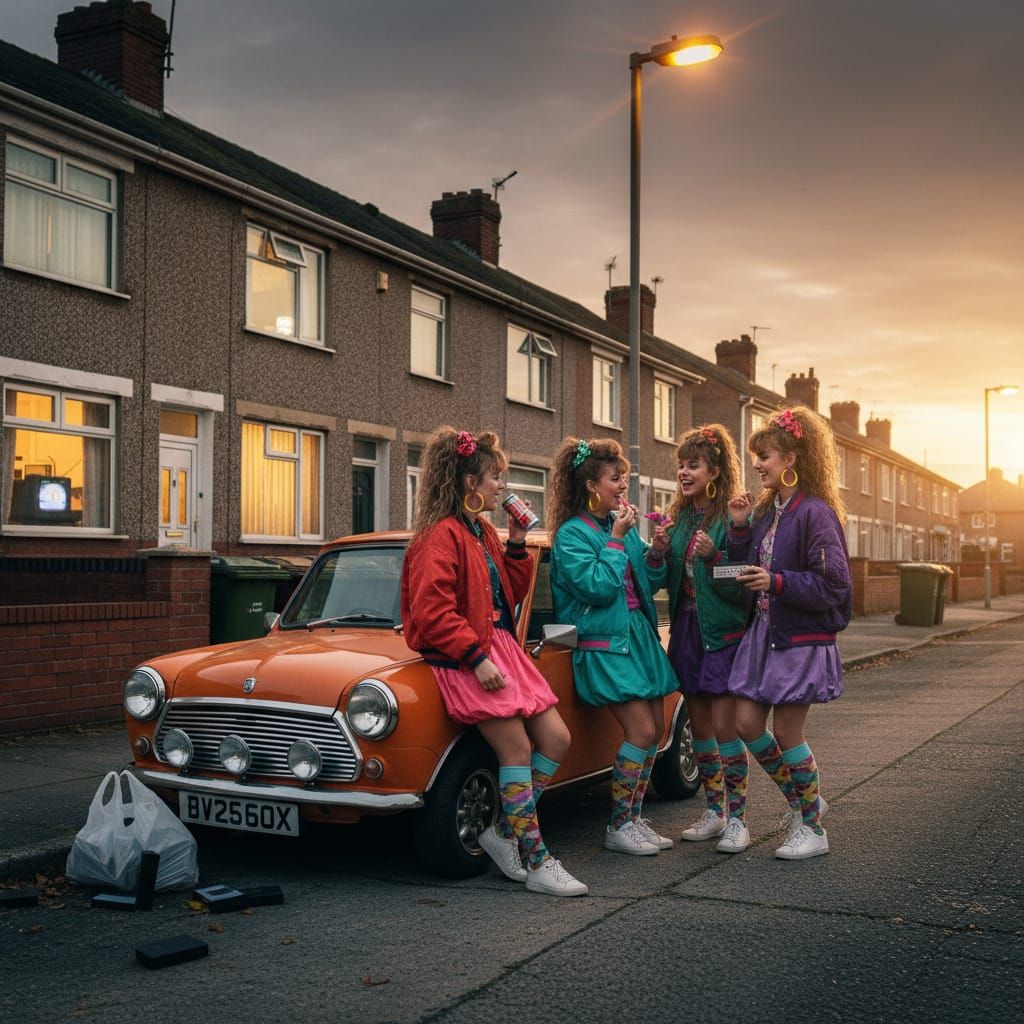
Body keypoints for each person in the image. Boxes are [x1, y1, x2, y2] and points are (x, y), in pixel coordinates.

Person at [401, 426, 588, 896]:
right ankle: (538, 860)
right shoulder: (438, 536)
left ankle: (503, 833)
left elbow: (511, 595)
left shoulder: (481, 530)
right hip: (467, 659)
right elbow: (432, 610)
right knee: (517, 750)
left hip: (500, 648)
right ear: (470, 482)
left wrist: (518, 542)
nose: (501, 485)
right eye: (494, 476)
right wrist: (476, 657)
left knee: (557, 738)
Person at [725, 406, 851, 860]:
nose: (757, 465)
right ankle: (805, 801)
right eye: (756, 457)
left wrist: (776, 582)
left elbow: (834, 585)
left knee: (787, 732)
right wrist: (740, 527)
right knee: (746, 723)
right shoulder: (768, 511)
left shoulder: (816, 513)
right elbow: (749, 567)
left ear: (791, 460)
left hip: (799, 639)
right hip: (765, 634)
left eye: (766, 456)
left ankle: (813, 828)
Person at [548, 437, 678, 856]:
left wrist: (656, 554)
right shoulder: (572, 535)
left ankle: (633, 817)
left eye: (623, 477)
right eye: (615, 478)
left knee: (656, 731)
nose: (623, 485)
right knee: (640, 731)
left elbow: (648, 584)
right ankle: (618, 825)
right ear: (592, 486)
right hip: (604, 644)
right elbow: (598, 587)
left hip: (637, 637)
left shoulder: (616, 527)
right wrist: (619, 539)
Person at [663, 425, 752, 854]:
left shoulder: (733, 518)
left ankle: (738, 819)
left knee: (724, 726)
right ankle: (715, 811)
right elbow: (662, 579)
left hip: (722, 634)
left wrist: (714, 555)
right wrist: (657, 550)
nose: (684, 472)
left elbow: (742, 579)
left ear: (714, 472)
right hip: (686, 631)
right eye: (681, 465)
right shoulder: (679, 518)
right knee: (698, 725)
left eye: (693, 465)